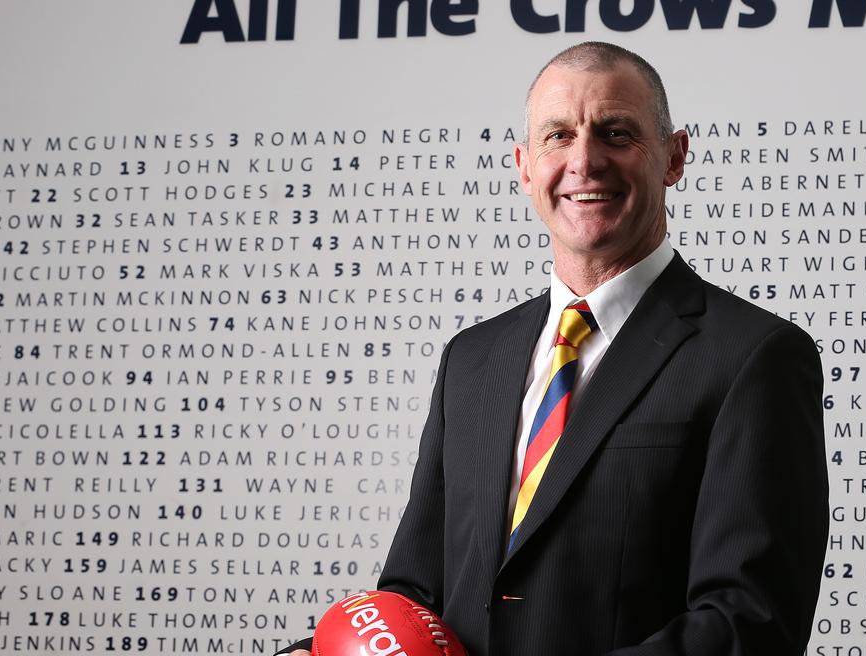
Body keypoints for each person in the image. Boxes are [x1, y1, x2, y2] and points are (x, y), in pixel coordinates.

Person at [278, 41, 827, 656]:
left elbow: (749, 625)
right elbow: (413, 594)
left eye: (616, 133)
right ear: (523, 165)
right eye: (558, 136)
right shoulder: (471, 359)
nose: (584, 161)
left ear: (674, 157)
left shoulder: (754, 356)